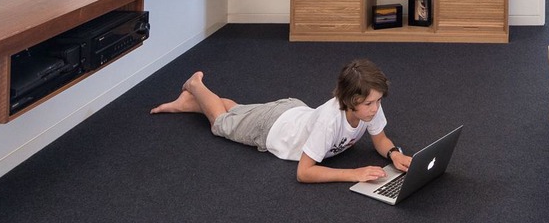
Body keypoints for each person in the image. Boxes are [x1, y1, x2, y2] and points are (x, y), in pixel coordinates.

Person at [150, 59, 411, 183]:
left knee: (238, 111)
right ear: (350, 101)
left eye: (378, 101)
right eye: (369, 103)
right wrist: (354, 174)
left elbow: (380, 138)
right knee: (221, 123)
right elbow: (304, 172)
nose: (376, 108)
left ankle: (187, 104)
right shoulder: (330, 122)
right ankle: (195, 86)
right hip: (272, 128)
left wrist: (392, 154)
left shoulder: (369, 106)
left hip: (295, 113)